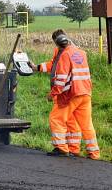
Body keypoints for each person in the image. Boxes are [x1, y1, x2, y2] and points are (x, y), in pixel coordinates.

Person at [31, 30, 100, 159]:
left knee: (56, 119)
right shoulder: (81, 52)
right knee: (84, 124)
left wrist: (53, 94)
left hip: (70, 94)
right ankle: (91, 152)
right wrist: (37, 67)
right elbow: (53, 65)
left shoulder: (64, 54)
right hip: (85, 93)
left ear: (58, 43)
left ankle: (61, 148)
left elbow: (61, 77)